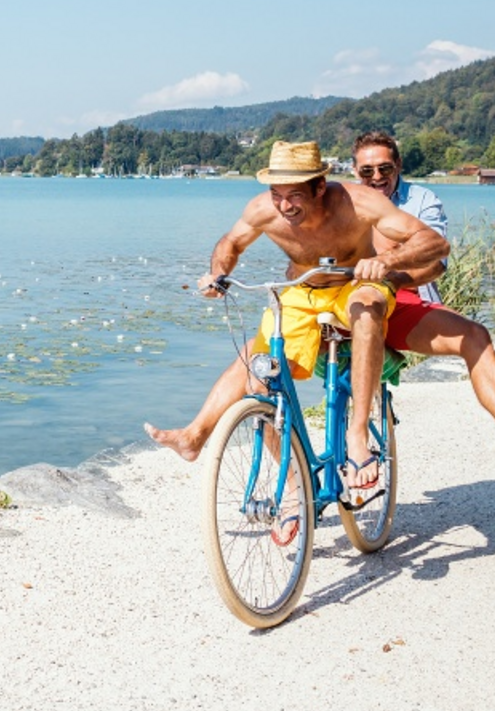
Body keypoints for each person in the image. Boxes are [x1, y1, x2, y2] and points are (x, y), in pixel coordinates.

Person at [143, 140, 448, 498]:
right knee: (259, 379)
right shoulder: (264, 210)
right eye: (276, 193)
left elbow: (435, 244)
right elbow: (232, 242)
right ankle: (290, 482)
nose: (285, 205)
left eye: (295, 195)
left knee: (367, 306)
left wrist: (388, 261)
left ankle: (358, 435)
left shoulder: (358, 202)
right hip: (302, 292)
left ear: (320, 186)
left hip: (355, 286)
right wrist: (218, 274)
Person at [350, 130, 495, 470]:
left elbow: (434, 263)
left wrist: (390, 272)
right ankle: (295, 489)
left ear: (398, 165)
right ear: (355, 172)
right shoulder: (342, 202)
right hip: (348, 300)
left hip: (404, 296)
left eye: (385, 168)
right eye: (367, 171)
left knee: (476, 337)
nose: (377, 177)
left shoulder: (421, 200)